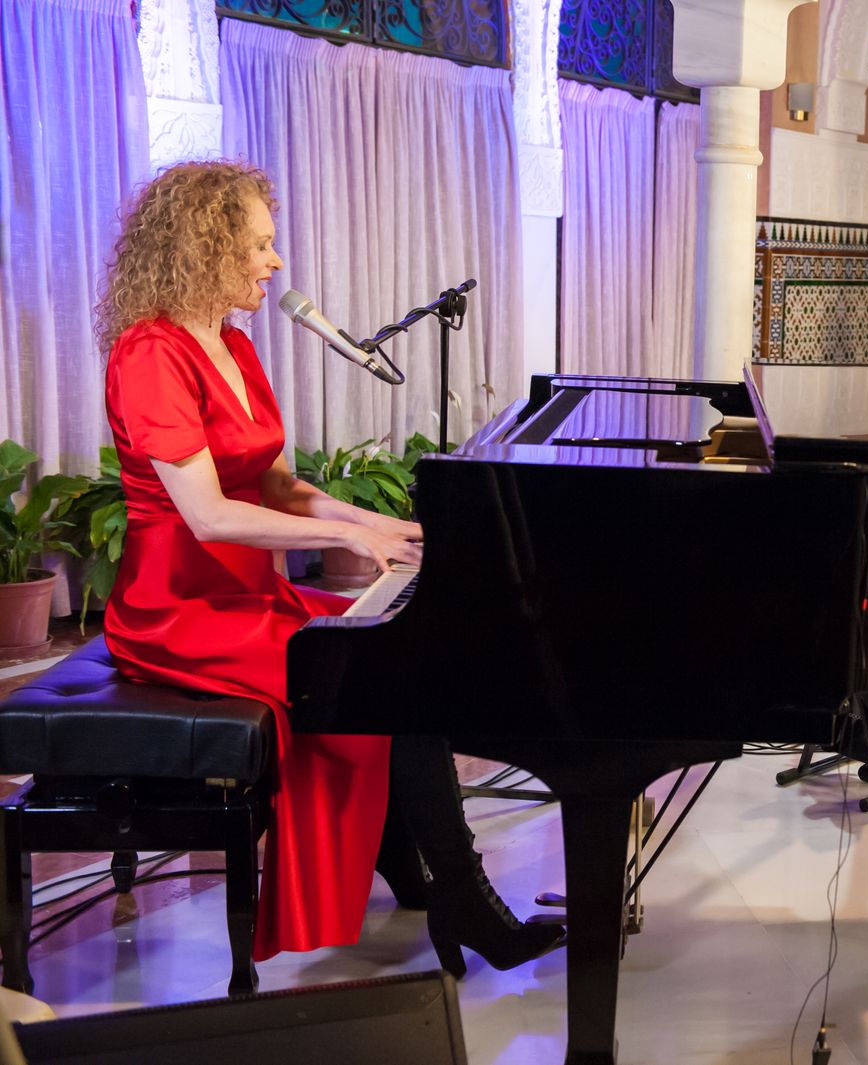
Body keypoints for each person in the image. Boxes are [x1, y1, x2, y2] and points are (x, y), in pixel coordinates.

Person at [95, 160, 559, 971]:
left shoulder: (233, 345)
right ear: (206, 246)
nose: (275, 262)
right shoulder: (150, 355)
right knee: (377, 672)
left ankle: (415, 871)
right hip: (176, 611)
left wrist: (378, 524)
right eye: (260, 245)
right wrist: (353, 542)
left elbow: (276, 484)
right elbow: (208, 515)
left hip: (247, 594)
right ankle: (460, 897)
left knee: (395, 655)